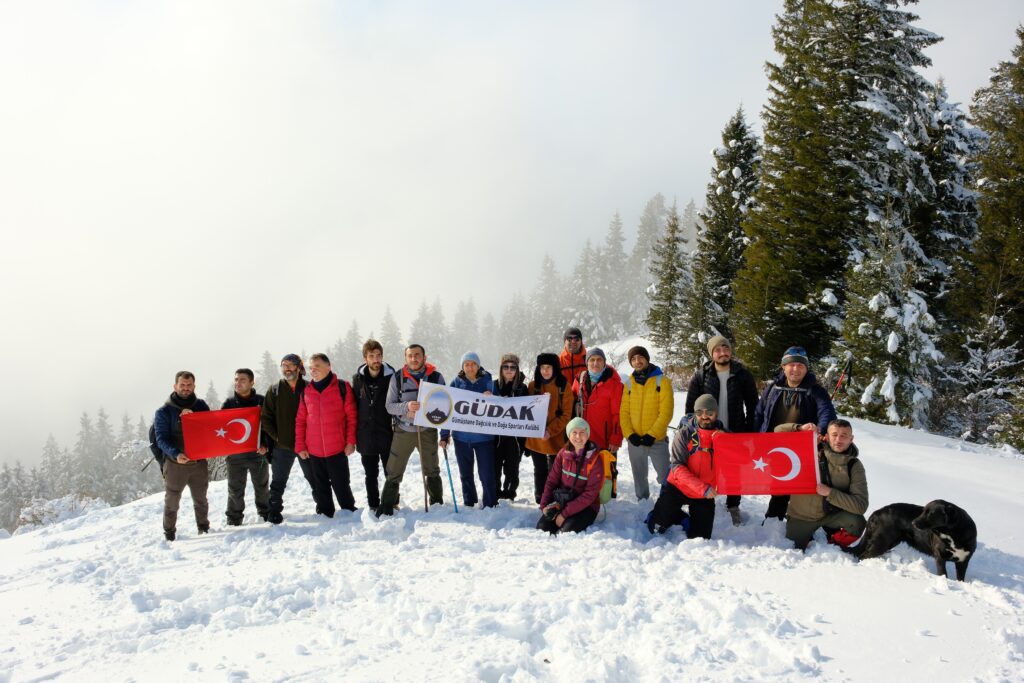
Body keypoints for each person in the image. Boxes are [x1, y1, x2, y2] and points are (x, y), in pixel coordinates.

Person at [754, 346, 837, 520]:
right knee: (779, 483)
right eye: (791, 365)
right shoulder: (772, 389)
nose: (795, 369)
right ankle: (773, 518)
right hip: (774, 445)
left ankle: (800, 521)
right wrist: (755, 438)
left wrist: (819, 430)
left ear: (806, 368)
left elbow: (827, 414)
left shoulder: (815, 391)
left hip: (802, 448)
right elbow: (759, 414)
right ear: (783, 367)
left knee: (800, 486)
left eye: (800, 365)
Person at [685, 335, 759, 525]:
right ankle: (699, 499)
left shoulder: (742, 374)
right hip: (707, 432)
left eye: (725, 348)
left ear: (730, 351)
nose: (722, 352)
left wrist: (751, 432)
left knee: (735, 471)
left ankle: (733, 505)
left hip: (735, 432)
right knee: (703, 466)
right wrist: (691, 431)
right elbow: (690, 408)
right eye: (717, 350)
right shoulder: (701, 375)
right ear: (711, 353)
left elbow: (753, 405)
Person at [378, 344, 446, 516]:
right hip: (404, 430)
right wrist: (405, 407)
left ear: (424, 357)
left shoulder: (436, 377)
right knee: (394, 469)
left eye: (417, 355)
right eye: (410, 355)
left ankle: (437, 505)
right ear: (405, 358)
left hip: (427, 431)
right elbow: (389, 406)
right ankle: (386, 506)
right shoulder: (398, 377)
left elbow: (445, 404)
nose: (414, 358)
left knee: (431, 468)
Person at [783, 419, 868, 550]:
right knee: (795, 549)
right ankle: (808, 535)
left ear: (851, 439)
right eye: (834, 435)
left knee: (857, 523)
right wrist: (799, 428)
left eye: (844, 435)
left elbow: (860, 505)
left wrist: (830, 493)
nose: (838, 439)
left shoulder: (854, 465)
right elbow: (777, 433)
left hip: (831, 516)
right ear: (826, 437)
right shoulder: (809, 450)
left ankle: (833, 546)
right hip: (802, 516)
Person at [647, 394, 723, 539]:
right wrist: (703, 488)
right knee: (655, 527)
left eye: (710, 412)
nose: (705, 416)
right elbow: (677, 467)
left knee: (701, 538)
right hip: (678, 487)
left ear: (716, 413)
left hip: (703, 495)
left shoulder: (724, 436)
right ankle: (669, 515)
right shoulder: (684, 434)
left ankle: (683, 518)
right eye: (700, 412)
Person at [295, 353, 358, 517]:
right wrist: (300, 445)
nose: (312, 370)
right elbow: (300, 421)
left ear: (328, 366)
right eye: (310, 368)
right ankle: (325, 515)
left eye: (317, 366)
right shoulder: (306, 392)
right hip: (314, 450)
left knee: (341, 484)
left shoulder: (342, 387)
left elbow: (352, 416)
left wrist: (351, 441)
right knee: (319, 486)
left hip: (337, 448)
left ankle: (349, 512)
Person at [153, 370, 211, 541]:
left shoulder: (201, 406)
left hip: (199, 463)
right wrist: (176, 454)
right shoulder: (164, 411)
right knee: (172, 501)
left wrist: (196, 420)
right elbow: (161, 439)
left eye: (189, 385)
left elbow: (210, 430)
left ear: (194, 386)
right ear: (175, 386)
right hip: (175, 464)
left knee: (201, 499)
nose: (186, 388)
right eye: (182, 385)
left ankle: (204, 528)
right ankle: (169, 534)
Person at [261, 353, 318, 525]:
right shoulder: (275, 390)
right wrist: (277, 436)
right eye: (283, 365)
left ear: (299, 368)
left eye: (290, 365)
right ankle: (274, 511)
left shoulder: (309, 388)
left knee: (315, 478)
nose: (286, 369)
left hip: (307, 446)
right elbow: (266, 417)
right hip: (282, 446)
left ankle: (323, 506)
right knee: (278, 481)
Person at [440, 352, 497, 508]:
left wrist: (492, 397)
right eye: (466, 364)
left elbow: (502, 406)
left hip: (484, 438)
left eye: (473, 364)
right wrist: (444, 435)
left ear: (478, 366)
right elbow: (447, 409)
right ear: (462, 367)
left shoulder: (489, 382)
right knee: (465, 473)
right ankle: (469, 502)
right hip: (461, 438)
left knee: (486, 474)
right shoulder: (456, 383)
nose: (470, 367)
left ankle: (490, 503)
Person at [620, 345, 674, 500]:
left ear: (647, 359)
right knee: (639, 475)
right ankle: (642, 500)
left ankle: (668, 500)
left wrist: (652, 434)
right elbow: (624, 412)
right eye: (633, 359)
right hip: (635, 440)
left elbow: (666, 412)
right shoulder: (629, 384)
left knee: (665, 474)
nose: (637, 361)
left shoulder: (662, 381)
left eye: (640, 357)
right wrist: (630, 435)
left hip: (656, 440)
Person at [537, 418, 604, 535]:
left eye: (582, 432)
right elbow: (551, 481)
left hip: (587, 506)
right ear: (569, 435)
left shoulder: (595, 460)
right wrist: (544, 506)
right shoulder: (563, 454)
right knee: (542, 528)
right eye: (574, 432)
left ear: (587, 434)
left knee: (566, 530)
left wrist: (564, 514)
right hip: (563, 501)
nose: (578, 437)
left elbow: (590, 494)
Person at [221, 368, 270, 526]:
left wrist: (265, 445)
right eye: (236, 380)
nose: (238, 383)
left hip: (258, 454)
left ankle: (266, 514)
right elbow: (221, 427)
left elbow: (270, 426)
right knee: (235, 489)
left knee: (262, 487)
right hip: (235, 456)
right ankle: (234, 519)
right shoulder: (228, 403)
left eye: (242, 380)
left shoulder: (262, 401)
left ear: (251, 382)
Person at [525, 353, 576, 504]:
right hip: (536, 438)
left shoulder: (564, 387)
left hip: (556, 436)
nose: (545, 371)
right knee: (539, 469)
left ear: (555, 368)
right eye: (542, 367)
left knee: (555, 470)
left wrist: (550, 431)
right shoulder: (533, 386)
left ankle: (553, 496)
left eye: (549, 367)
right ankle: (540, 496)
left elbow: (566, 415)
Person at [352, 339, 396, 512]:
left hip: (387, 431)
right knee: (370, 474)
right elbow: (354, 405)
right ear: (365, 359)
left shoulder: (391, 377)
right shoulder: (357, 379)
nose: (376, 359)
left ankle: (391, 501)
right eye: (372, 356)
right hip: (365, 434)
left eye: (378, 355)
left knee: (390, 472)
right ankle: (373, 504)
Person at [573, 347, 622, 496]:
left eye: (599, 360)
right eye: (592, 360)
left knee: (606, 470)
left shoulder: (614, 385)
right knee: (585, 470)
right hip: (583, 437)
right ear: (587, 363)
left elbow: (618, 414)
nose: (595, 363)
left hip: (605, 437)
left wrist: (616, 437)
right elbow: (572, 403)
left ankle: (608, 494)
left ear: (605, 363)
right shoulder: (580, 380)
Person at [493, 353, 528, 501]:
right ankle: (495, 493)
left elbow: (530, 410)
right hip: (496, 436)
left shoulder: (522, 388)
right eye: (506, 367)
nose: (509, 370)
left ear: (517, 370)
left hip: (515, 437)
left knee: (512, 469)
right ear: (501, 369)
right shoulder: (494, 386)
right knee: (494, 467)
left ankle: (508, 494)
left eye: (513, 367)